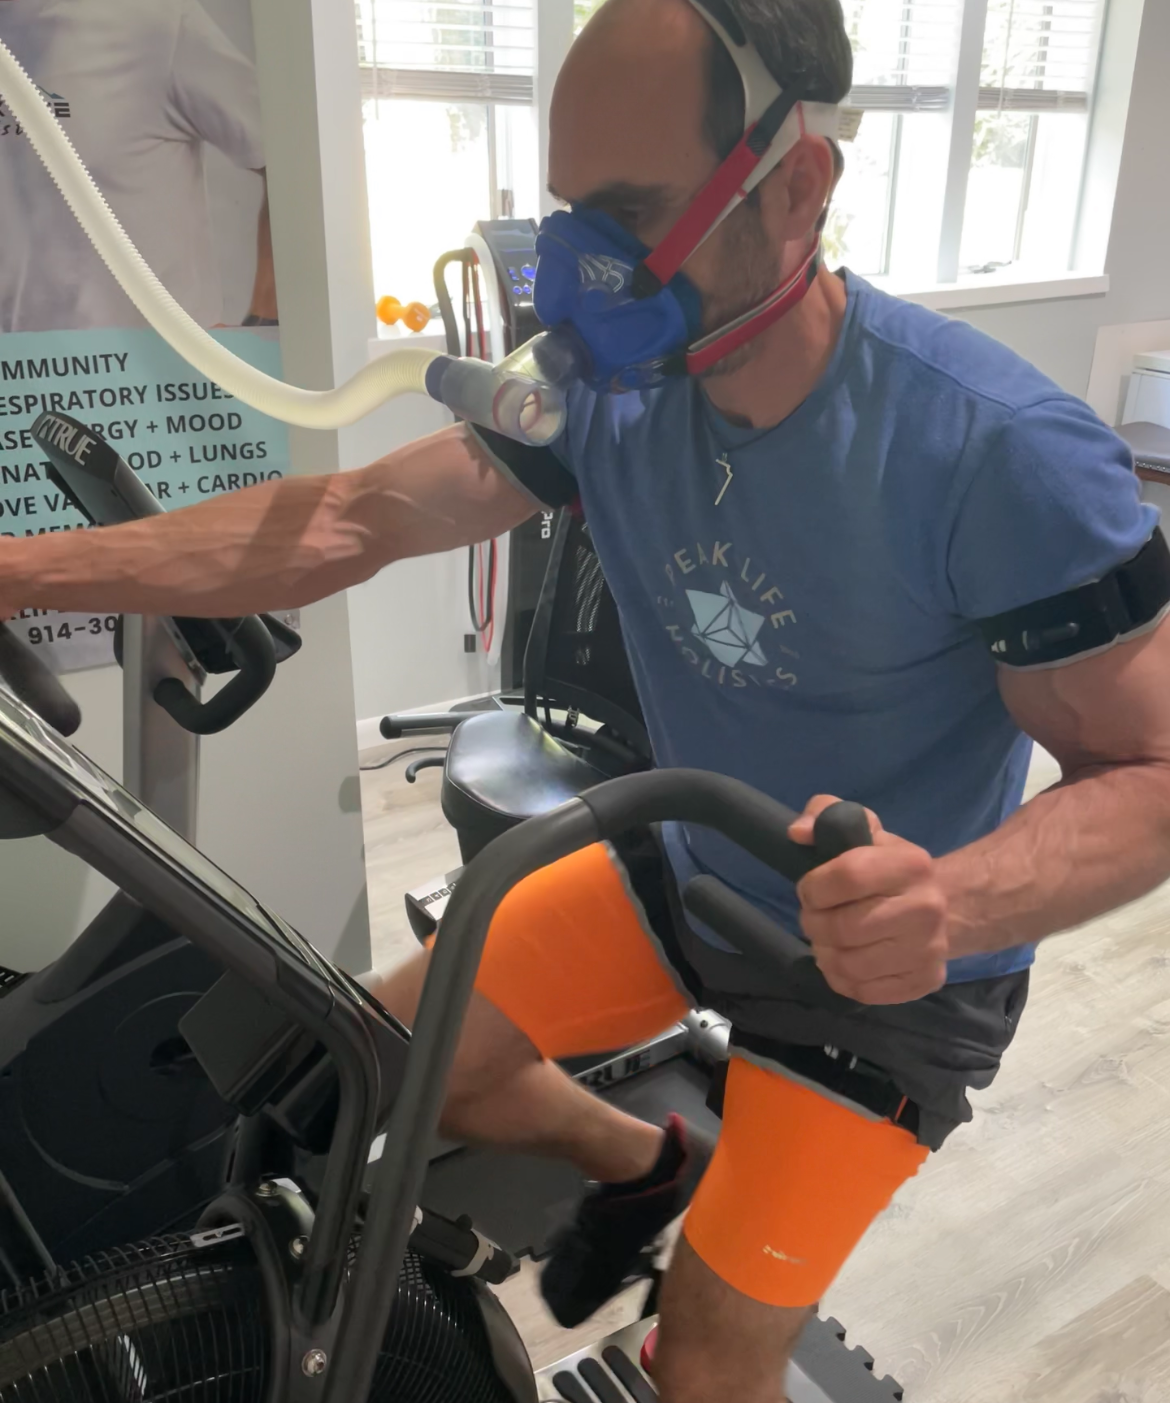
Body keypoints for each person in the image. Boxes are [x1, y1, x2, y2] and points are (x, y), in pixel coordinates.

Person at [4, 0, 1170, 1398]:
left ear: (796, 184)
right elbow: (351, 516)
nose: (576, 270)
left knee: (711, 1347)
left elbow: (1151, 770)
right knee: (370, 1059)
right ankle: (649, 1160)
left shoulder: (1001, 452)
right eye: (568, 215)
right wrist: (13, 570)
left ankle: (705, 1267)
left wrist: (955, 902)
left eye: (627, 214)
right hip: (684, 869)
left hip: (884, 974)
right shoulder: (610, 392)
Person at [0, 0, 276, 332]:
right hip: (19, 362)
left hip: (149, 361)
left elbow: (294, 164)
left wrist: (264, 318)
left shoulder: (154, 18)